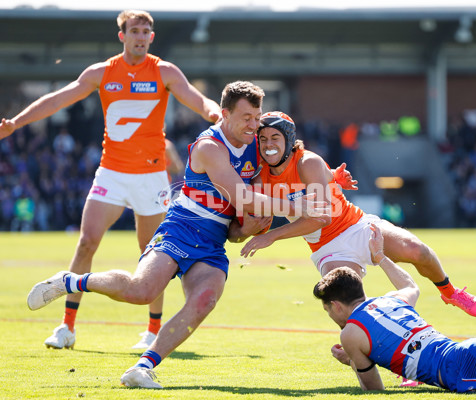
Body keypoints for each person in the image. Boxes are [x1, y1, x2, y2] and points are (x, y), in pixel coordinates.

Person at [25, 81, 329, 389]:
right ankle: (70, 281)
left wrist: (327, 178)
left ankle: (143, 368)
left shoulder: (256, 144)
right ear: (224, 114)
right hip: (181, 227)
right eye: (247, 117)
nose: (255, 125)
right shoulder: (210, 147)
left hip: (213, 239)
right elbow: (242, 198)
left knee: (205, 299)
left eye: (258, 116)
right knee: (142, 290)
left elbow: (286, 162)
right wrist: (295, 202)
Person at [0, 10, 222, 350]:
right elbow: (57, 99)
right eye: (134, 31)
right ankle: (66, 328)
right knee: (86, 242)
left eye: (146, 31)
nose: (140, 36)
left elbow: (198, 100)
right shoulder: (102, 72)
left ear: (151, 37)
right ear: (122, 35)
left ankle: (152, 333)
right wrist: (14, 123)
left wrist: (215, 113)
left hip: (152, 176)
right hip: (111, 172)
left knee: (152, 252)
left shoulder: (164, 71)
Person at [240, 111, 476, 317]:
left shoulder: (308, 162)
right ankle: (363, 346)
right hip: (327, 249)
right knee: (350, 306)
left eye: (275, 137)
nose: (269, 144)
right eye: (263, 140)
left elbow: (321, 217)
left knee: (417, 250)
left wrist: (271, 236)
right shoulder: (261, 177)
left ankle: (450, 292)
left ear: (290, 140)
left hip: (356, 225)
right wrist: (251, 228)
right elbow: (257, 213)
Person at [314, 223, 476, 394]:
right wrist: (381, 258)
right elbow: (410, 285)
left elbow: (374, 390)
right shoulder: (391, 300)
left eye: (327, 310)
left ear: (335, 305)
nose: (330, 316)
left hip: (459, 367)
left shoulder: (350, 334)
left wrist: (354, 359)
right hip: (470, 352)